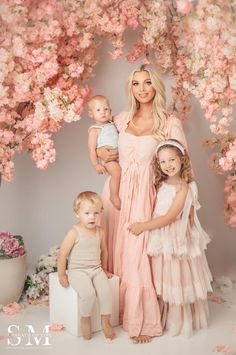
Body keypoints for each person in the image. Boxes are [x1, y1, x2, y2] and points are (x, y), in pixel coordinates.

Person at [97, 65, 188, 343]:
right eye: (136, 84)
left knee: (138, 253)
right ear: (130, 88)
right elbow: (103, 148)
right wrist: (99, 153)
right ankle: (114, 312)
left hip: (148, 197)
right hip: (116, 196)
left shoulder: (169, 123)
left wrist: (181, 204)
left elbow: (181, 167)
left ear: (156, 87)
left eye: (147, 83)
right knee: (115, 252)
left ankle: (142, 319)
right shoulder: (120, 120)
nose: (142, 89)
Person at [129, 139, 213, 337]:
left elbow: (170, 217)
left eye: (172, 160)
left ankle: (180, 320)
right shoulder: (161, 183)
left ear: (182, 159)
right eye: (163, 161)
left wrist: (143, 226)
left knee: (177, 275)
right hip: (162, 236)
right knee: (164, 275)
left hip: (174, 236)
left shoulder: (184, 187)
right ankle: (162, 315)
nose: (168, 165)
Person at [57, 191, 115, 340]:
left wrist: (105, 269)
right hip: (78, 271)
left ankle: (105, 321)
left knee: (106, 292)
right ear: (77, 214)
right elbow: (62, 254)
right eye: (87, 213)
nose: (92, 217)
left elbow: (104, 251)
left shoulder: (100, 232)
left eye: (96, 213)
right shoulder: (74, 232)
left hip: (96, 269)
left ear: (101, 212)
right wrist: (62, 274)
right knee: (88, 294)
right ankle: (85, 318)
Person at [88, 95, 121, 210]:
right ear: (91, 114)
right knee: (116, 172)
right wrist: (96, 164)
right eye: (98, 110)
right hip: (108, 160)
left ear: (110, 110)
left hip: (119, 156)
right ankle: (114, 196)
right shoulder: (95, 130)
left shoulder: (112, 123)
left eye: (105, 109)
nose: (103, 112)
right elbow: (92, 149)